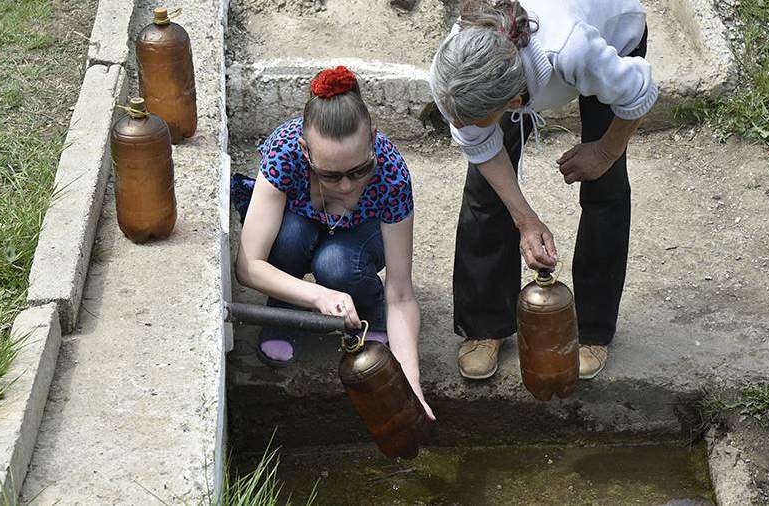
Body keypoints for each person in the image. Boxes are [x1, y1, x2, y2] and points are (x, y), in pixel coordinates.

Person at [429, 0, 657, 380]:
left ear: (515, 102)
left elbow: (640, 90)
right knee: (485, 190)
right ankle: (485, 324)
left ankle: (591, 329)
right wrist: (526, 220)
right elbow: (478, 143)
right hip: (506, 72)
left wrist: (605, 151)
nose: (462, 125)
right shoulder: (455, 69)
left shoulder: (574, 48)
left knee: (605, 185)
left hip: (613, 29)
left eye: (479, 119)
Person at [232, 66, 435, 420]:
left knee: (336, 264)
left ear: (372, 140)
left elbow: (401, 293)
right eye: (330, 174)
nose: (345, 186)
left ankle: (370, 312)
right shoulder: (284, 152)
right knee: (289, 239)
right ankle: (285, 311)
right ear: (305, 151)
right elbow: (248, 266)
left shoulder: (391, 172)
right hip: (299, 228)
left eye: (359, 170)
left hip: (358, 239)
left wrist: (411, 382)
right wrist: (318, 296)